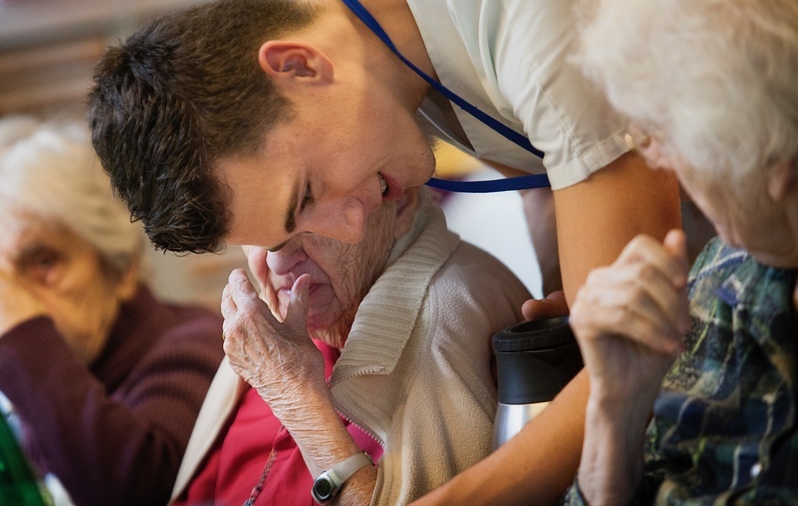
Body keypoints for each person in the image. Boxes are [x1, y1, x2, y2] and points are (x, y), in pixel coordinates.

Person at [87, 0, 681, 310]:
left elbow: (627, 347)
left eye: (309, 194)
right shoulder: (387, 70)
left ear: (299, 66)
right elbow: (548, 179)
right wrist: (563, 296)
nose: (349, 228)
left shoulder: (531, 29)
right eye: (292, 232)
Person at [0, 116, 225, 506]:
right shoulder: (32, 383)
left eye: (43, 261)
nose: (14, 299)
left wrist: (17, 328)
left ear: (122, 267)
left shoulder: (195, 346)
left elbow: (136, 490)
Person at [561, 0, 798, 504]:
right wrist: (615, 413)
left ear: (780, 169)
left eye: (669, 136)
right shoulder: (717, 280)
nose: (663, 162)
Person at [168, 186, 533, 505]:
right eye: (254, 226)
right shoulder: (267, 328)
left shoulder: (448, 317)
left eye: (304, 214)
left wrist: (297, 400)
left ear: (397, 197)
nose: (277, 260)